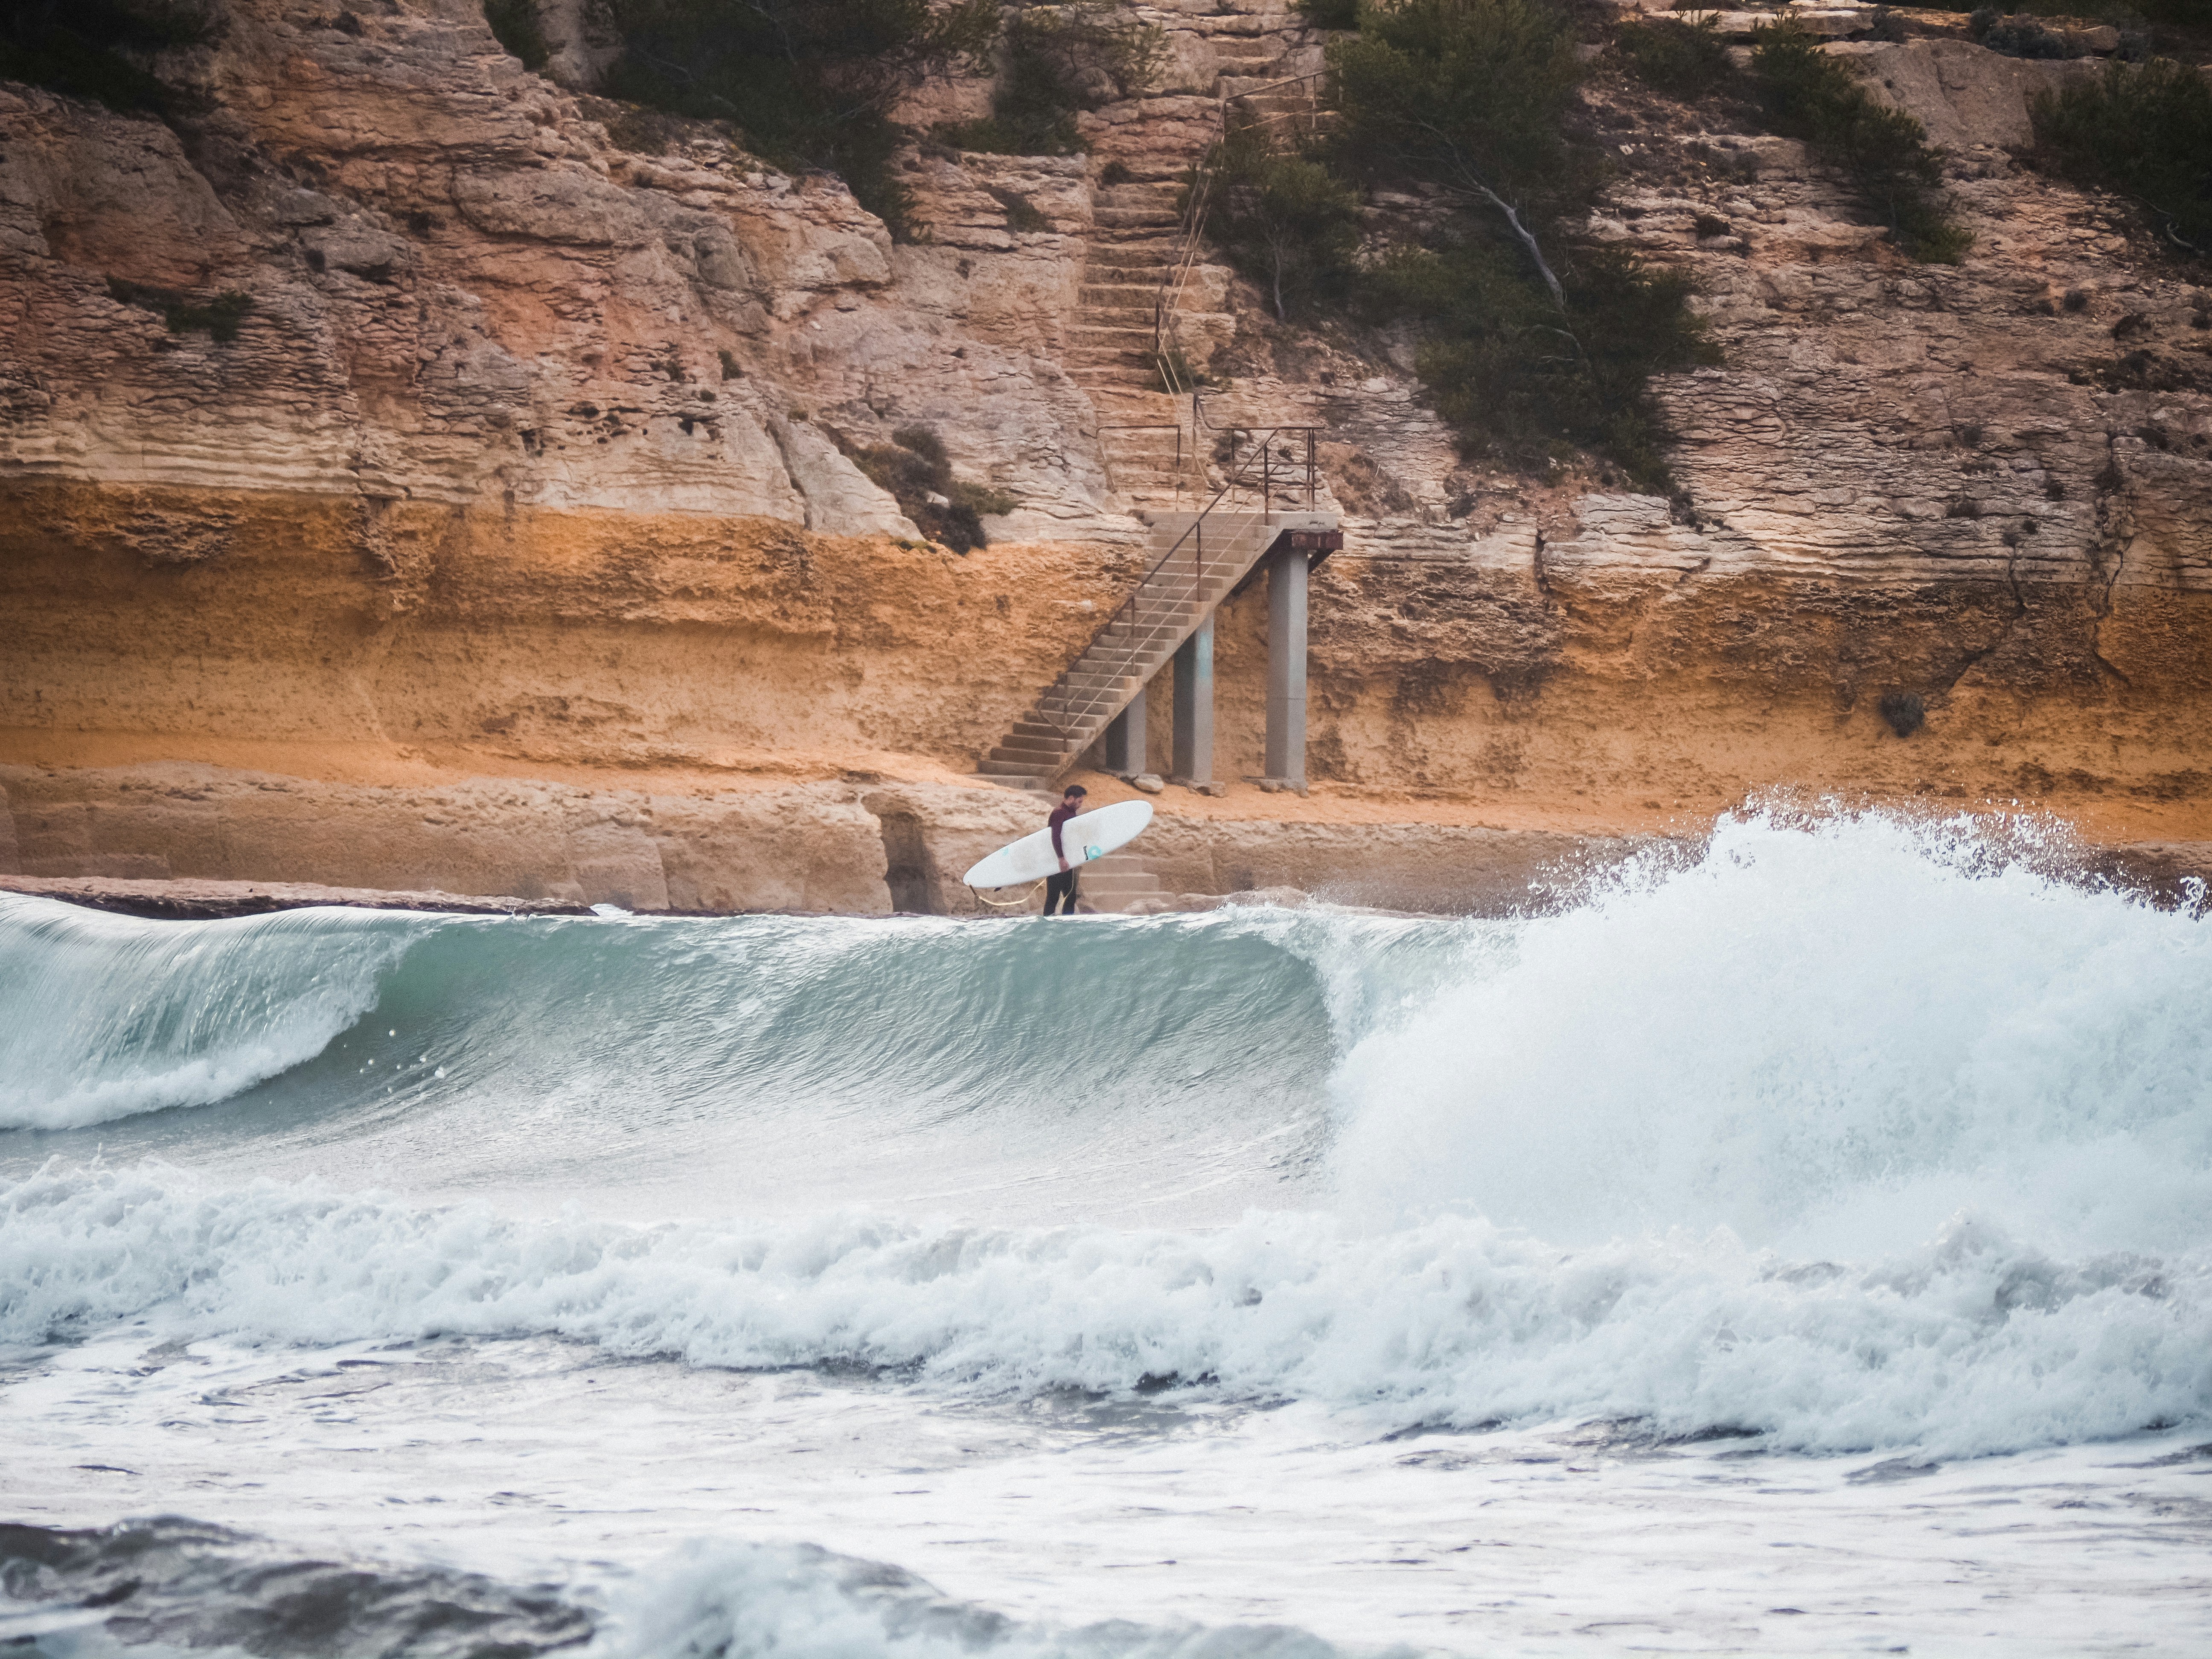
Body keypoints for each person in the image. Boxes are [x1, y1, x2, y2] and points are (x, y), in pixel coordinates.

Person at [1043, 785, 1087, 916]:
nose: (1080, 805)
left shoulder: (1071, 813)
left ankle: (1067, 927)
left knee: (1071, 897)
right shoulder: (1059, 813)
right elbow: (1055, 836)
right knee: (1053, 897)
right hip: (1058, 861)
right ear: (1072, 798)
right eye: (1079, 802)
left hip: (1068, 862)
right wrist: (1061, 858)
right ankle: (1046, 926)